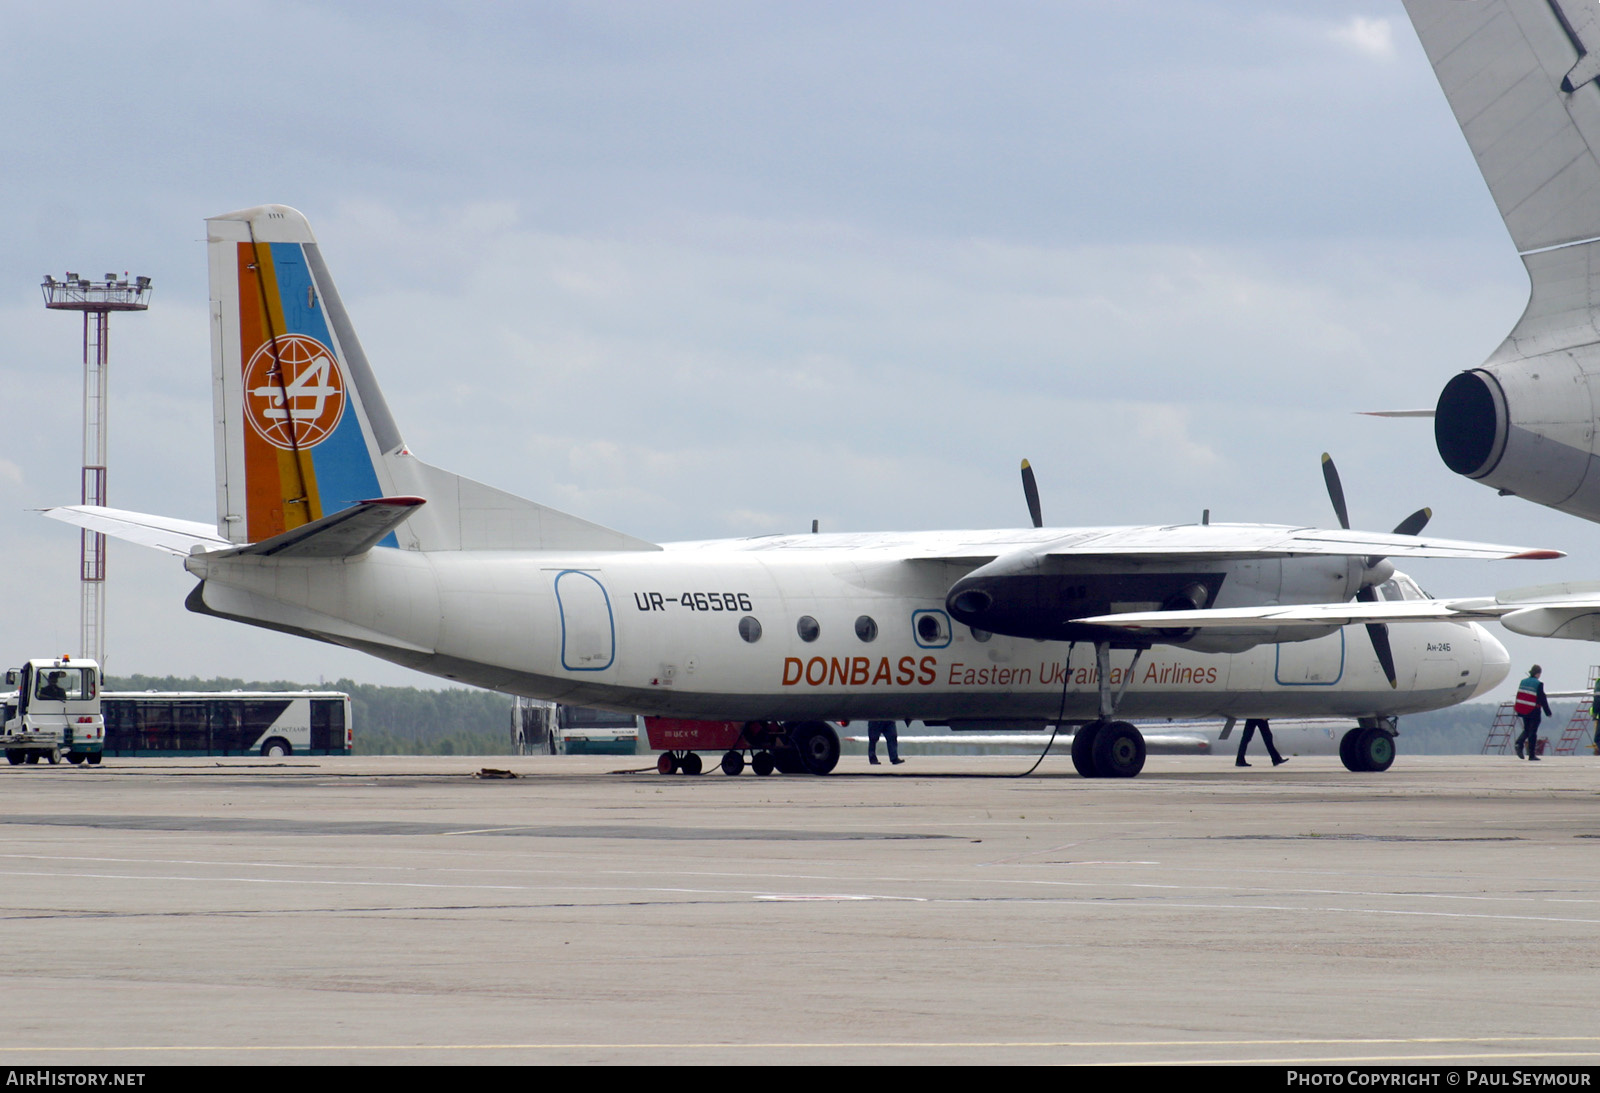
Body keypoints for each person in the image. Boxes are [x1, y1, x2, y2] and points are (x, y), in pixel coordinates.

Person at [1514, 665, 1552, 760]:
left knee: (1527, 729)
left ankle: (1519, 743)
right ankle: (1531, 755)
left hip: (1523, 709)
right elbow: (1542, 698)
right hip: (1533, 710)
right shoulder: (1538, 684)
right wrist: (1548, 712)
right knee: (1533, 732)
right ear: (1538, 674)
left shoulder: (1523, 682)